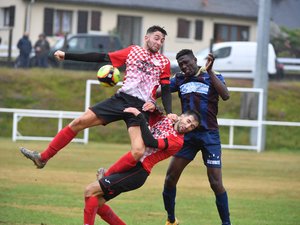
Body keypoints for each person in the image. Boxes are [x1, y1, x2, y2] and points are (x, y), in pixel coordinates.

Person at [20, 25, 173, 171]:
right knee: (77, 122)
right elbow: (101, 57)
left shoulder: (163, 62)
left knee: (138, 151)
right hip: (121, 99)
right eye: (156, 38)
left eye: (162, 40)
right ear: (146, 37)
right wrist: (67, 55)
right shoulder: (133, 51)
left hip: (141, 108)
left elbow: (165, 89)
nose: (159, 42)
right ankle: (42, 158)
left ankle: (106, 177)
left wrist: (170, 111)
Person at [83, 106, 200, 225]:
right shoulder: (167, 120)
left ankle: (106, 178)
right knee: (96, 202)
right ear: (182, 116)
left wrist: (140, 117)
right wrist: (154, 107)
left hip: (138, 172)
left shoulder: (178, 141)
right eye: (188, 121)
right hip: (131, 164)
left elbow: (150, 142)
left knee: (90, 190)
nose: (187, 126)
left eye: (192, 127)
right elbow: (151, 110)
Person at [162, 49, 231, 225]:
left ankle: (226, 223)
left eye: (187, 62)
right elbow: (160, 91)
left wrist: (210, 71)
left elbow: (225, 95)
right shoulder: (179, 79)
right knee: (170, 177)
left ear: (195, 59)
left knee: (215, 183)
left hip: (209, 135)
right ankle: (171, 220)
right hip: (188, 136)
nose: (185, 66)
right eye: (181, 64)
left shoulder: (211, 75)